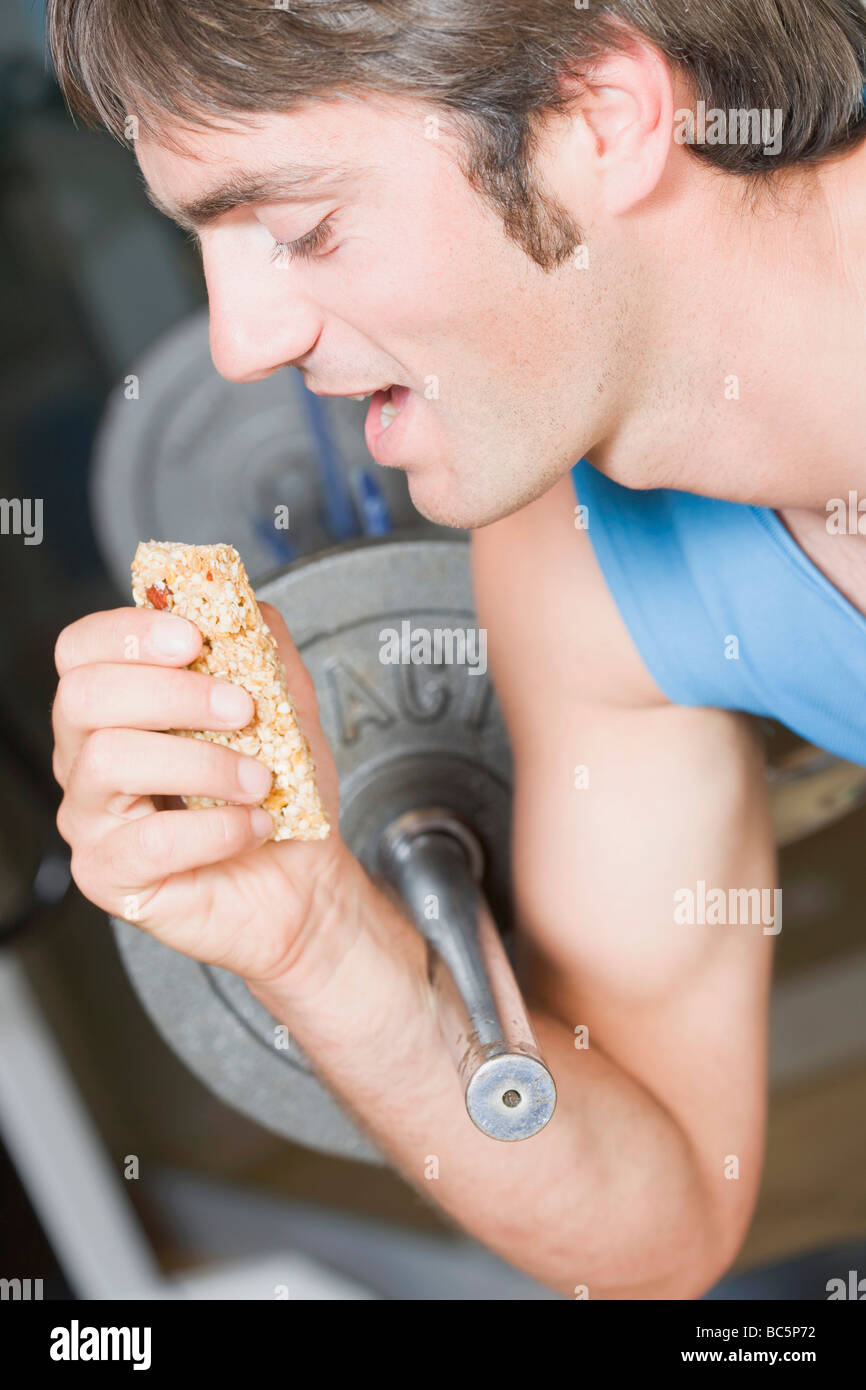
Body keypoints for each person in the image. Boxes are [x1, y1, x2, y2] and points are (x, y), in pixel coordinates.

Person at [48, 0, 866, 1298]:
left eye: (300, 227)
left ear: (602, 118)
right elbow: (658, 1222)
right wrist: (317, 933)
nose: (241, 342)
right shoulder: (574, 556)